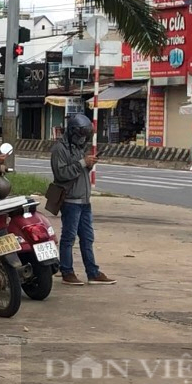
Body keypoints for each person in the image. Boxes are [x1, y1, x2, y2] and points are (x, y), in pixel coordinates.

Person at [50, 114, 116, 286]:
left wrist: (89, 164)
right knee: (69, 237)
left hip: (85, 201)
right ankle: (67, 271)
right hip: (71, 201)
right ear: (72, 132)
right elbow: (61, 173)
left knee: (87, 238)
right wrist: (82, 163)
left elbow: (80, 171)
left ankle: (93, 272)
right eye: (81, 135)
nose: (83, 139)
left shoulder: (80, 148)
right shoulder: (59, 149)